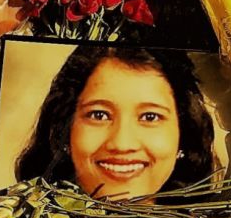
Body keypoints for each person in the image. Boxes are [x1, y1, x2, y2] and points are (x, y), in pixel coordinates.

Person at [15, 45, 216, 200]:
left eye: (150, 117)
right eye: (99, 115)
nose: (122, 144)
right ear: (63, 132)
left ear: (184, 136)